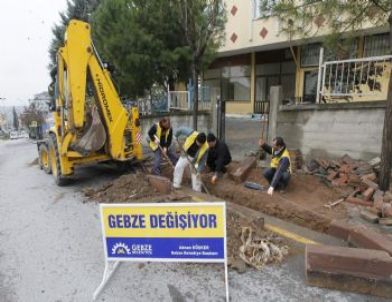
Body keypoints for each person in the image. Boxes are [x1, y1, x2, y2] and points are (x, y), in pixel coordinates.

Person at [173, 127, 208, 192]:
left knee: (196, 174)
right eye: (198, 142)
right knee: (178, 167)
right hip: (186, 154)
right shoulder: (192, 133)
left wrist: (199, 170)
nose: (198, 144)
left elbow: (203, 161)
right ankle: (176, 184)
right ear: (196, 138)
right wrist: (175, 135)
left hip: (195, 160)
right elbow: (181, 129)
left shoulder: (205, 147)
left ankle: (197, 190)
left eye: (200, 144)